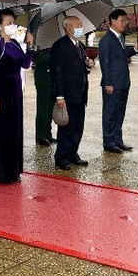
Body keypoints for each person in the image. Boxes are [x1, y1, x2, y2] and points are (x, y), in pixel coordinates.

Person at [0, 9, 35, 184]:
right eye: (8, 23)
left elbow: (25, 63)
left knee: (14, 131)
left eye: (13, 22)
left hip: (15, 93)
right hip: (1, 93)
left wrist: (29, 46)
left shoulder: (14, 43)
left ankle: (14, 170)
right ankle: (0, 172)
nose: (12, 25)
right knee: (1, 132)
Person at [50, 16, 95, 170]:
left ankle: (73, 153)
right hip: (67, 95)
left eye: (81, 24)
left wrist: (88, 63)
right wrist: (59, 96)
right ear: (68, 27)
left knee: (78, 126)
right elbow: (57, 72)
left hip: (81, 93)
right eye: (77, 25)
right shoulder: (60, 46)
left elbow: (82, 65)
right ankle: (61, 157)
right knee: (66, 128)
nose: (80, 27)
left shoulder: (80, 45)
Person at [99, 9, 138, 153]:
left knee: (119, 113)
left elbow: (122, 55)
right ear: (112, 21)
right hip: (112, 84)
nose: (125, 23)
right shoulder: (106, 40)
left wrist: (135, 50)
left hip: (123, 82)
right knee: (110, 114)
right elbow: (104, 63)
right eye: (122, 20)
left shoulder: (120, 37)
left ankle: (118, 140)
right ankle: (109, 142)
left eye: (126, 21)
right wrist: (108, 83)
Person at [33, 47, 56, 146]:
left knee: (50, 107)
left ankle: (47, 133)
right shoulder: (39, 47)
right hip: (43, 80)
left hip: (51, 79)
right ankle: (41, 135)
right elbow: (36, 59)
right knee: (43, 107)